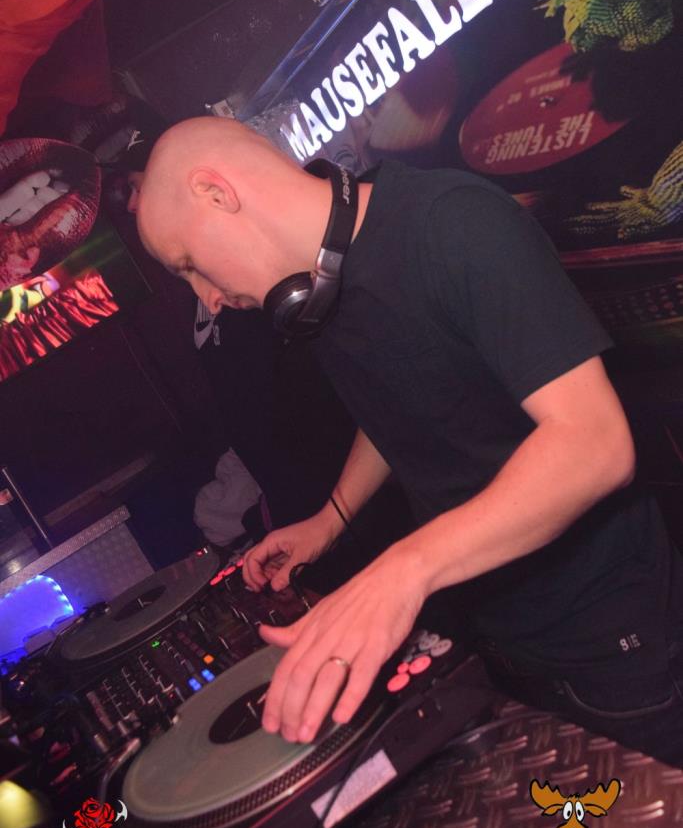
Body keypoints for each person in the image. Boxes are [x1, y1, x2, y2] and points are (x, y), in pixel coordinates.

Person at [136, 116, 683, 766]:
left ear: (216, 192)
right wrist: (331, 519)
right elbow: (398, 403)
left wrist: (402, 571)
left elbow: (594, 445)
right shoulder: (320, 288)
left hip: (607, 636)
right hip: (495, 627)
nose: (206, 298)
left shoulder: (452, 223)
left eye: (188, 265)